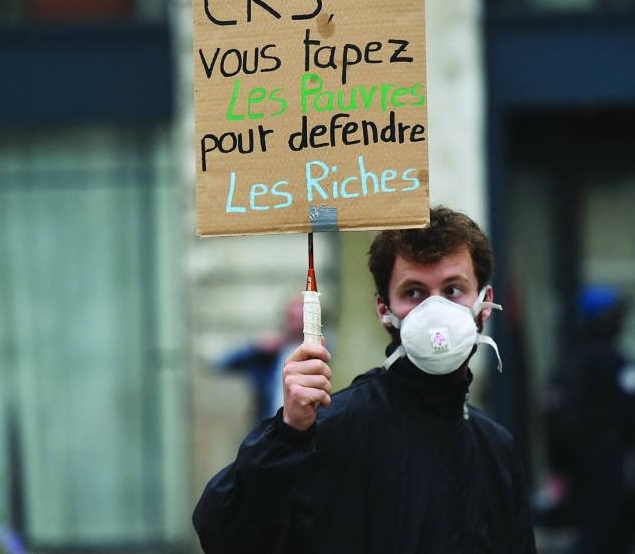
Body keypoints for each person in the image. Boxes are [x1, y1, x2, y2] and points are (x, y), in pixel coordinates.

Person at [193, 206, 537, 553]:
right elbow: (226, 534)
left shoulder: (496, 450)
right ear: (383, 309)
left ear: (485, 302)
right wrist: (287, 432)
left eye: (452, 290)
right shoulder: (335, 428)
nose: (436, 314)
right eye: (414, 293)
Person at [542, 285, 635, 554]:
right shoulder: (614, 364)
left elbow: (551, 418)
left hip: (579, 471)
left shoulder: (567, 365)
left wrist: (558, 468)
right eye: (614, 315)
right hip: (610, 469)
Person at [216, 295, 304, 423]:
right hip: (271, 427)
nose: (297, 323)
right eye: (292, 317)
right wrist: (256, 347)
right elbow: (223, 362)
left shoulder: (323, 350)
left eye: (301, 317)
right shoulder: (270, 354)